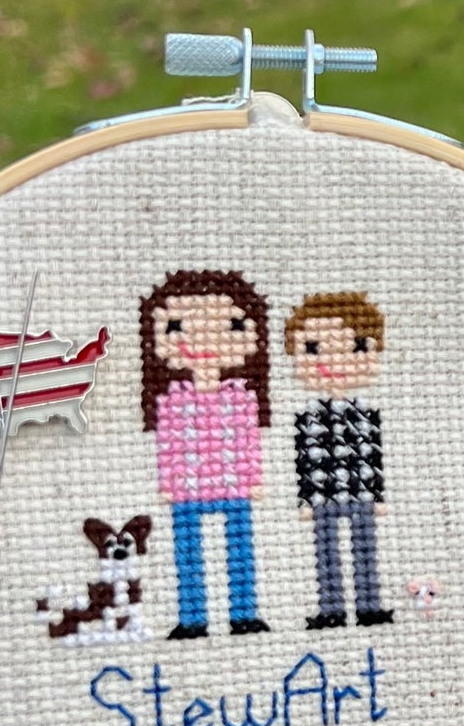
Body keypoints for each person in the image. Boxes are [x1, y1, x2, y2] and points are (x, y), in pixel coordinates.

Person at [139, 269, 273, 640]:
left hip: (234, 485)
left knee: (239, 550)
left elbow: (249, 444)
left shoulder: (241, 397)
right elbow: (168, 447)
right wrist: (168, 484)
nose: (203, 340)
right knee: (188, 552)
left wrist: (254, 480)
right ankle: (192, 617)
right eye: (179, 326)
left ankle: (243, 613)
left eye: (228, 326)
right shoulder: (171, 401)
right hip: (187, 488)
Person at [285, 292, 393, 630]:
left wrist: (377, 495)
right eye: (313, 348)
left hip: (361, 495)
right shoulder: (309, 416)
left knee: (365, 551)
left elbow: (373, 456)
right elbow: (304, 462)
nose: (334, 361)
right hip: (323, 497)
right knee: (327, 552)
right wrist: (306, 501)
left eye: (357, 347)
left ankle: (369, 606)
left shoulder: (366, 414)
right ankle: (331, 608)